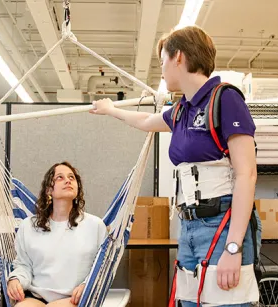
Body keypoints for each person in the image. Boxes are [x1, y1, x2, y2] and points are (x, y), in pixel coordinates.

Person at [90, 26, 262, 307]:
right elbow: (146, 123)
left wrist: (233, 247)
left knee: (228, 302)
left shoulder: (225, 99)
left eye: (162, 62)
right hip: (189, 226)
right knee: (190, 302)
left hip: (221, 225)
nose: (161, 70)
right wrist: (110, 110)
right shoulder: (183, 110)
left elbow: (247, 174)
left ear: (178, 57)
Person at [7, 161, 107, 307]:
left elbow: (102, 267)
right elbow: (24, 265)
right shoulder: (28, 226)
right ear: (49, 190)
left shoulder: (95, 225)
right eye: (60, 177)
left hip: (74, 298)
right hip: (36, 296)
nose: (68, 180)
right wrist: (15, 280)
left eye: (72, 177)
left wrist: (87, 285)